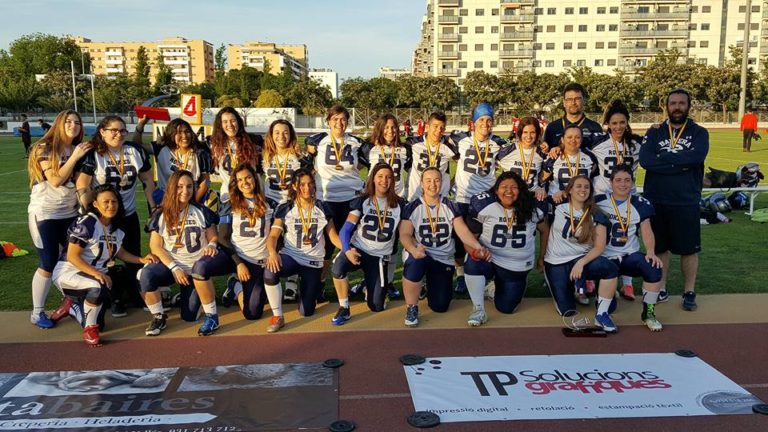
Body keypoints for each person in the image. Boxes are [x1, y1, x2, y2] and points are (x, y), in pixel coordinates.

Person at [51, 185, 158, 345]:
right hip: (69, 272)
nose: (111, 205)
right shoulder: (87, 223)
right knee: (97, 288)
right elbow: (73, 256)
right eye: (106, 202)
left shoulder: (115, 227)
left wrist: (141, 260)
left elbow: (119, 252)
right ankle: (89, 329)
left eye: (114, 202)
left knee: (100, 320)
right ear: (95, 204)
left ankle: (72, 306)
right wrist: (96, 273)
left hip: (93, 276)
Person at [75, 115, 157, 317]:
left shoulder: (134, 150)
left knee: (133, 256)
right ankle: (114, 298)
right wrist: (91, 214)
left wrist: (153, 208)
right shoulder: (94, 153)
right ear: (102, 131)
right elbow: (82, 185)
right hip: (103, 216)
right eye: (113, 130)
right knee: (105, 258)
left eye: (122, 130)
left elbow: (147, 180)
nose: (118, 134)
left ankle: (134, 293)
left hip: (127, 213)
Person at [639, 88, 709, 311]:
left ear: (688, 106)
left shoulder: (699, 133)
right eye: (673, 103)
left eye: (681, 103)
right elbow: (646, 161)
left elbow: (696, 157)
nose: (677, 107)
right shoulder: (655, 131)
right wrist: (680, 164)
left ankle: (689, 292)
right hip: (657, 198)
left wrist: (665, 159)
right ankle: (661, 288)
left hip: (686, 200)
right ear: (666, 106)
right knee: (660, 248)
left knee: (689, 250)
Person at [27, 110, 93, 329]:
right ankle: (37, 312)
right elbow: (55, 180)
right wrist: (74, 156)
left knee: (73, 260)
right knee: (47, 262)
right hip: (45, 213)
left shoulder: (79, 149)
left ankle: (70, 303)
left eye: (77, 122)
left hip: (70, 213)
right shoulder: (44, 148)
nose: (73, 125)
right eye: (68, 121)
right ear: (59, 124)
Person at [399, 167, 488, 327]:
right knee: (414, 262)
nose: (432, 184)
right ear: (421, 183)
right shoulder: (412, 207)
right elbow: (405, 234)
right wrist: (413, 249)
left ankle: (427, 283)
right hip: (422, 253)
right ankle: (411, 307)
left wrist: (477, 246)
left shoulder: (451, 206)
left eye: (437, 180)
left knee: (440, 306)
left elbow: (462, 231)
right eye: (428, 180)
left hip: (443, 258)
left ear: (442, 183)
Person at [462, 171, 550, 326]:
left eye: (514, 187)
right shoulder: (484, 204)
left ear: (521, 190)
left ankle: (493, 288)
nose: (508, 191)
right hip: (489, 258)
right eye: (504, 187)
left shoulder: (533, 205)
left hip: (516, 265)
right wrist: (476, 252)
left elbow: (544, 230)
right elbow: (470, 238)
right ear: (496, 190)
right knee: (473, 261)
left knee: (507, 308)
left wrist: (542, 257)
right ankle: (478, 308)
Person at [191, 164, 275, 323]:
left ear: (256, 179)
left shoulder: (270, 203)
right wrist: (238, 263)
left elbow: (277, 235)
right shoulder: (229, 205)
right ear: (236, 183)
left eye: (248, 177)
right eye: (240, 180)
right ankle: (211, 315)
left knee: (253, 313)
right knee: (201, 267)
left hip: (257, 260)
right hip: (232, 256)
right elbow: (222, 237)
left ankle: (235, 287)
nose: (245, 182)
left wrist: (271, 254)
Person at [140, 170, 220, 336]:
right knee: (145, 274)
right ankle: (158, 315)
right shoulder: (161, 214)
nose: (185, 191)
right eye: (180, 186)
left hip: (196, 269)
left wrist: (212, 244)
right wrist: (174, 267)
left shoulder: (201, 211)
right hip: (173, 267)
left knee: (189, 316)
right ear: (171, 188)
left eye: (189, 186)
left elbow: (213, 237)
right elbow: (155, 246)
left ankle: (195, 294)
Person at [264, 168, 342, 333]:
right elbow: (272, 236)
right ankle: (278, 315)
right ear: (294, 186)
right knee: (270, 270)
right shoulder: (286, 208)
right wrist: (272, 253)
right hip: (291, 256)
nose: (306, 188)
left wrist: (348, 249)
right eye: (302, 185)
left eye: (310, 184)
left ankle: (307, 286)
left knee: (306, 312)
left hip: (313, 262)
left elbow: (333, 236)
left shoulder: (323, 207)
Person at [331, 163, 406, 324]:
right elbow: (345, 230)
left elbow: (406, 232)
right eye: (380, 176)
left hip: (379, 257)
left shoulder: (400, 204)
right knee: (338, 267)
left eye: (388, 177)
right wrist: (347, 250)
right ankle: (344, 307)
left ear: (393, 181)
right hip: (358, 249)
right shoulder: (363, 201)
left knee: (377, 306)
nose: (384, 181)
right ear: (372, 179)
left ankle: (366, 283)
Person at [543, 175, 620, 332]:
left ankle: (602, 313)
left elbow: (599, 247)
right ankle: (577, 285)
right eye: (578, 186)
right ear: (569, 189)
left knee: (610, 268)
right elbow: (536, 203)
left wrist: (581, 263)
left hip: (582, 259)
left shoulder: (597, 214)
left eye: (586, 187)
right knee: (567, 311)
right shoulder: (557, 206)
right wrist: (539, 189)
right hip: (556, 262)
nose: (582, 190)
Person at [305, 105, 366, 300]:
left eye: (343, 119)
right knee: (326, 248)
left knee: (357, 241)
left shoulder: (356, 142)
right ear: (328, 121)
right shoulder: (318, 141)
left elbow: (367, 162)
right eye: (335, 119)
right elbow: (308, 156)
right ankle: (321, 284)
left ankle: (366, 280)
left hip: (352, 199)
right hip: (327, 199)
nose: (339, 123)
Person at [595, 166, 664, 331]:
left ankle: (648, 313)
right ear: (610, 182)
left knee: (653, 267)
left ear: (632, 182)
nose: (623, 184)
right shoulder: (598, 201)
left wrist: (651, 252)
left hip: (628, 256)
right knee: (610, 308)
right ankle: (601, 307)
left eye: (627, 180)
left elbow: (646, 230)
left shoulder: (640, 204)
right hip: (605, 258)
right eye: (618, 180)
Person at [450, 103, 507, 294]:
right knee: (458, 244)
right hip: (462, 197)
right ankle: (460, 274)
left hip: (486, 201)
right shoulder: (460, 139)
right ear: (473, 123)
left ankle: (486, 275)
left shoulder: (499, 143)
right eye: (481, 120)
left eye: (489, 120)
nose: (486, 123)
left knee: (485, 241)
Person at [590, 100, 642, 300]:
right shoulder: (598, 144)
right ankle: (593, 278)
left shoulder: (637, 143)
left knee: (627, 237)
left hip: (628, 197)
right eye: (614, 123)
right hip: (603, 196)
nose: (618, 127)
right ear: (608, 125)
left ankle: (627, 284)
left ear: (627, 123)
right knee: (599, 236)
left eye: (622, 122)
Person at [358, 114, 412, 298]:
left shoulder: (405, 149)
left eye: (394, 127)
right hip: (375, 200)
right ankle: (367, 279)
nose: (390, 131)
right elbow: (354, 169)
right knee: (369, 239)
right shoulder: (369, 148)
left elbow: (413, 171)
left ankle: (388, 281)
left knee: (392, 244)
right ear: (380, 129)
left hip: (396, 201)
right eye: (387, 127)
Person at [257, 119, 307, 303]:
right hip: (271, 204)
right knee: (272, 242)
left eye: (285, 132)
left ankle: (292, 283)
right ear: (271, 135)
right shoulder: (264, 156)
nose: (281, 136)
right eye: (276, 132)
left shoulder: (299, 157)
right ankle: (271, 278)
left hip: (293, 204)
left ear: (291, 134)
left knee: (293, 241)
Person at [133, 118, 213, 204]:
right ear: (171, 134)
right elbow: (137, 146)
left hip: (190, 198)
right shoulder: (161, 147)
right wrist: (141, 125)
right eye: (179, 133)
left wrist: (192, 204)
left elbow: (205, 182)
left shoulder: (200, 152)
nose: (184, 136)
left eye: (187, 131)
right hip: (165, 199)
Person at [208, 107, 262, 217]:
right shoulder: (213, 143)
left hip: (251, 195)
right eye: (225, 122)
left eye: (233, 120)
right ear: (220, 125)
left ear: (238, 122)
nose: (230, 125)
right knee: (225, 233)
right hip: (228, 196)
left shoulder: (253, 140)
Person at [405, 112, 458, 201]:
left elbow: (462, 164)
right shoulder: (413, 143)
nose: (438, 130)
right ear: (428, 126)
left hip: (439, 198)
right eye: (435, 126)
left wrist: (452, 182)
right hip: (416, 196)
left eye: (442, 127)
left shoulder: (448, 146)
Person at [540, 124, 598, 203]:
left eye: (577, 137)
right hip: (557, 201)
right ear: (562, 139)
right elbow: (542, 179)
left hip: (581, 202)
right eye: (569, 137)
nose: (573, 140)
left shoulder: (590, 157)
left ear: (581, 139)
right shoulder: (554, 156)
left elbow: (594, 178)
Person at [498, 115, 548, 201]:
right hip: (511, 198)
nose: (529, 136)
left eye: (532, 132)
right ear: (520, 133)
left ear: (537, 134)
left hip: (532, 197)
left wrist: (539, 188)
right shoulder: (506, 150)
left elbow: (545, 174)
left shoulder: (541, 152)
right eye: (525, 132)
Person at [542, 83, 603, 152]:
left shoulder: (595, 127)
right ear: (564, 102)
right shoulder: (552, 127)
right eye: (569, 99)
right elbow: (545, 153)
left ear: (583, 101)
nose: (573, 103)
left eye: (577, 99)